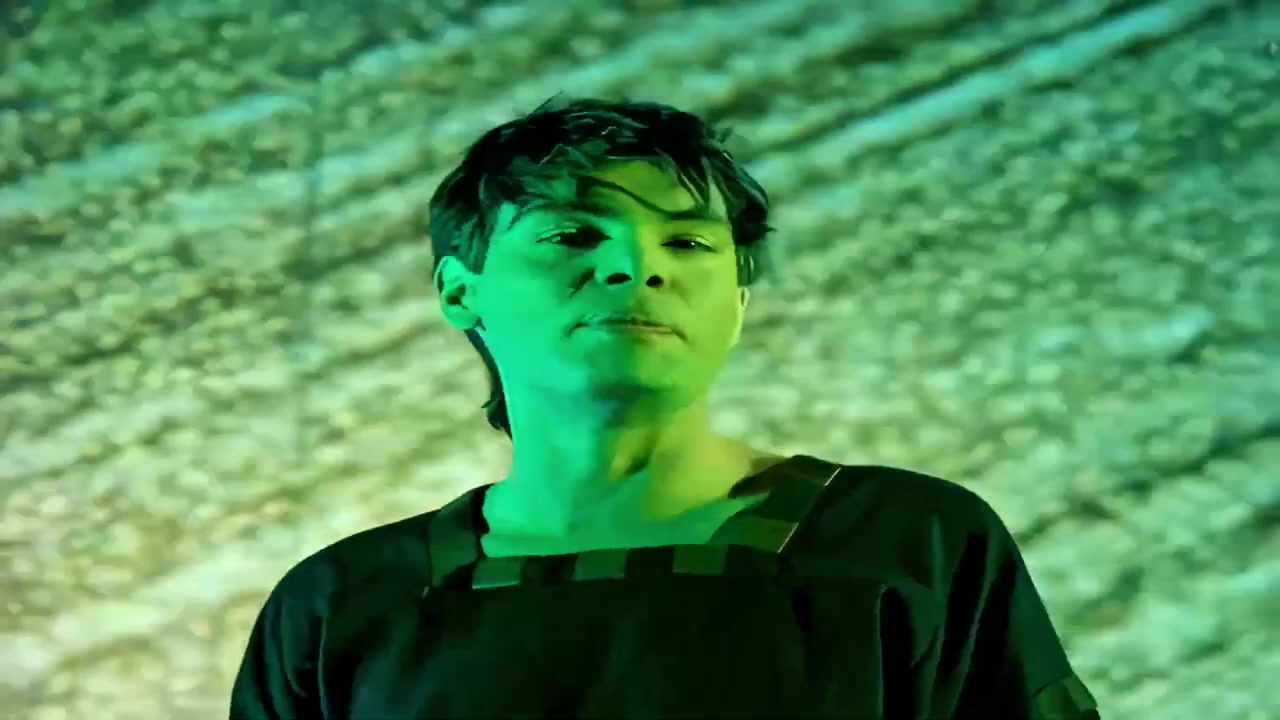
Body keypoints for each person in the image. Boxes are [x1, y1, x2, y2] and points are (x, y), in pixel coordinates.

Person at [229, 96, 1100, 718]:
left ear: (738, 301)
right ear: (461, 290)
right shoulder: (342, 604)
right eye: (573, 233)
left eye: (686, 240)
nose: (637, 267)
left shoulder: (910, 542)